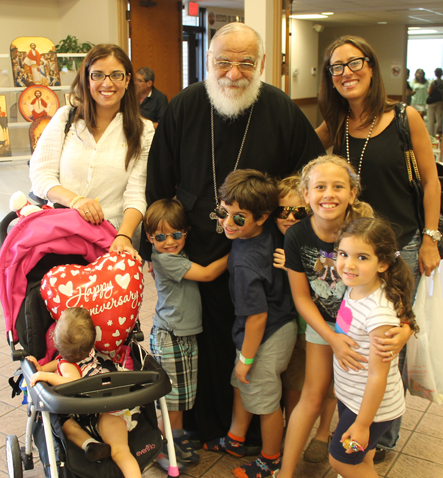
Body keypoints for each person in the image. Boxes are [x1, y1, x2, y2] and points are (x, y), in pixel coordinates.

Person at [144, 22, 325, 448]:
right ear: (208, 61)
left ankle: (250, 431)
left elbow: (308, 178)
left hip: (260, 252)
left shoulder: (280, 108)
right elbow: (158, 181)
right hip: (194, 247)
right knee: (196, 337)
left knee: (253, 338)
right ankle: (202, 426)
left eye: (246, 63)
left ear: (261, 64)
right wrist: (153, 250)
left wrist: (291, 230)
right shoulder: (185, 106)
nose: (234, 73)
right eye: (223, 62)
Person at [315, 35, 440, 462]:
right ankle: (358, 412)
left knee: (390, 338)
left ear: (372, 66)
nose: (346, 73)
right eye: (336, 67)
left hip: (401, 246)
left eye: (354, 63)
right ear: (330, 78)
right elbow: (303, 156)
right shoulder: (335, 126)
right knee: (359, 335)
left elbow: (430, 180)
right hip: (355, 251)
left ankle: (382, 432)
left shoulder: (405, 117)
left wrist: (429, 238)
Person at [276, 156, 410, 478]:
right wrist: (332, 337)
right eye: (319, 187)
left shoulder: (364, 231)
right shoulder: (296, 236)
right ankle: (285, 472)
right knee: (312, 393)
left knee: (358, 390)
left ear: (352, 193)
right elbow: (301, 296)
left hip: (367, 326)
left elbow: (397, 285)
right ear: (305, 195)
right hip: (323, 324)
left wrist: (405, 330)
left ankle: (351, 454)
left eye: (338, 186)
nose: (328, 194)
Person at [203, 170, 297, 478]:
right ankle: (235, 439)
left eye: (238, 218)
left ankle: (271, 459)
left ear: (262, 217)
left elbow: (257, 317)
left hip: (266, 332)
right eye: (223, 212)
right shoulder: (263, 232)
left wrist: (247, 357)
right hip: (269, 326)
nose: (228, 223)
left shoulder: (245, 264)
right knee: (240, 383)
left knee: (264, 397)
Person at [30, 44, 154, 258]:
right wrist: (76, 201)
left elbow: (136, 194)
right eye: (97, 75)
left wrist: (123, 236)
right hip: (61, 236)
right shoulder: (65, 118)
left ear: (127, 80)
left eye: (116, 75)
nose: (107, 83)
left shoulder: (143, 130)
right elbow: (41, 176)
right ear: (87, 79)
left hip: (111, 241)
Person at [142, 198, 228, 472]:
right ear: (149, 237)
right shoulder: (166, 259)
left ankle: (176, 437)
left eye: (176, 235)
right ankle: (161, 443)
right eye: (160, 237)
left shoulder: (175, 255)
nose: (169, 242)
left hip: (184, 333)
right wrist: (237, 247)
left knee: (183, 394)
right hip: (171, 334)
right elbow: (207, 274)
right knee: (172, 397)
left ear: (186, 233)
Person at [329, 217, 418, 478]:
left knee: (341, 462)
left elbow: (379, 374)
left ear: (383, 263)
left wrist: (363, 424)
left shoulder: (378, 312)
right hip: (353, 398)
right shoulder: (356, 288)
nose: (349, 264)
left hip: (371, 410)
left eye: (362, 258)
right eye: (344, 254)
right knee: (361, 461)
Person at [27, 307, 143, 478]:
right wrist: (43, 367)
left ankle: (89, 444)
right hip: (110, 407)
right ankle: (115, 462)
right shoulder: (88, 351)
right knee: (121, 451)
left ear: (56, 343)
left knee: (68, 427)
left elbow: (72, 381)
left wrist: (45, 376)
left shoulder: (68, 366)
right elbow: (59, 363)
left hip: (87, 411)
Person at [273, 174, 337, 464]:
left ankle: (322, 434)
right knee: (297, 382)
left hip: (325, 325)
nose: (289, 218)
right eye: (281, 211)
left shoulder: (318, 237)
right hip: (295, 327)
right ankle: (293, 431)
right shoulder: (280, 240)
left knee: (327, 384)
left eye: (297, 212)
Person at [427, 68, 443, 136]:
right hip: (440, 101)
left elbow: (430, 92)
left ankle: (431, 134)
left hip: (432, 102)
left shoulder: (434, 82)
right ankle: (437, 132)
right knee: (439, 118)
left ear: (435, 74)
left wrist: (427, 90)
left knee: (431, 118)